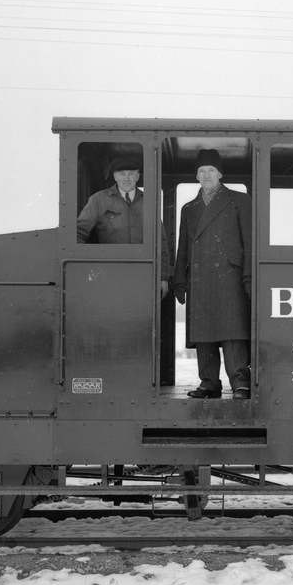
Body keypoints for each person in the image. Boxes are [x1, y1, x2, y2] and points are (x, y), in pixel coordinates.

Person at [173, 149, 252, 399]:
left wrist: (249, 277)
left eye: (211, 170)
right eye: (202, 171)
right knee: (203, 331)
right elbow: (183, 248)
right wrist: (180, 281)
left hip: (231, 277)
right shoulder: (189, 209)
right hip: (199, 277)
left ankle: (241, 382)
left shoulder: (240, 201)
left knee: (233, 330)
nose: (206, 175)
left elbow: (250, 242)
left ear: (220, 174)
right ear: (196, 176)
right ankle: (209, 383)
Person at [77, 155, 170, 297]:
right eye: (121, 174)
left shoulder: (149, 202)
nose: (126, 178)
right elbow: (79, 232)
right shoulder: (98, 200)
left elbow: (160, 242)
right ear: (115, 176)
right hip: (108, 274)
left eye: (131, 173)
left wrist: (163, 278)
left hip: (143, 273)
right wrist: (81, 270)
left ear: (138, 176)